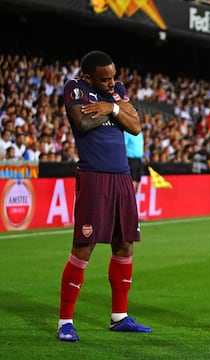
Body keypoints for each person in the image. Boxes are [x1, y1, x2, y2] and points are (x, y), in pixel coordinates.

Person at [57, 50, 152, 342]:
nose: (112, 83)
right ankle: (65, 322)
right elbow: (82, 123)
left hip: (122, 175)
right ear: (88, 77)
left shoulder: (115, 91)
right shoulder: (74, 88)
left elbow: (135, 126)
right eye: (105, 79)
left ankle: (119, 317)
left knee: (124, 245)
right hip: (94, 175)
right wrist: (117, 109)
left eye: (113, 77)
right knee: (83, 247)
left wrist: (109, 108)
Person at [124, 129, 144, 194]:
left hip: (139, 160)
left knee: (137, 180)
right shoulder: (127, 133)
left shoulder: (140, 134)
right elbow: (124, 145)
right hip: (131, 160)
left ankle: (134, 199)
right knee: (132, 181)